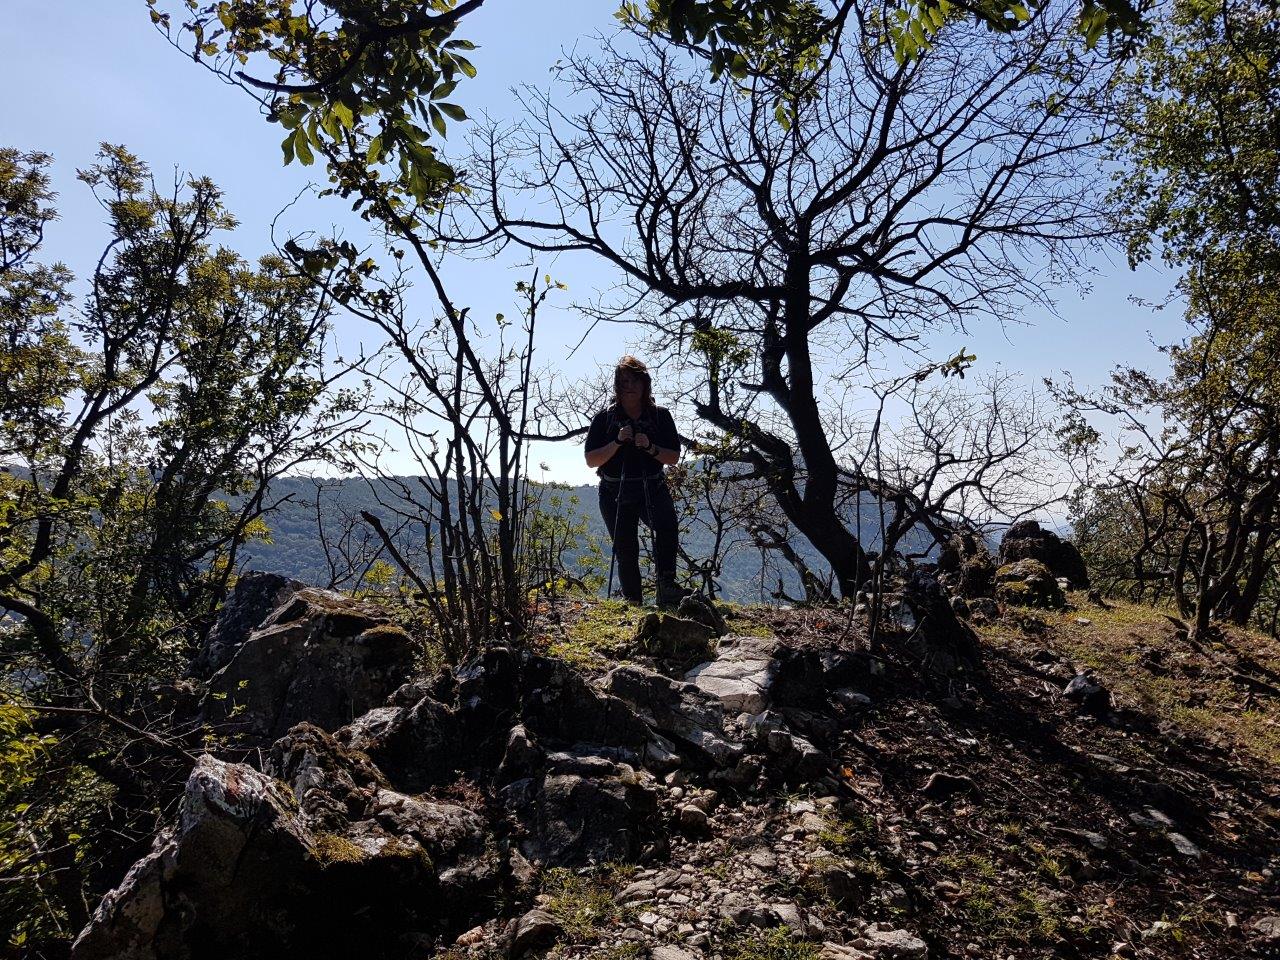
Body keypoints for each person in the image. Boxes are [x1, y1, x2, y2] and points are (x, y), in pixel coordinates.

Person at [584, 356, 688, 607]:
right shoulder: (604, 418)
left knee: (666, 530)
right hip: (614, 490)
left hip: (651, 486)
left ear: (644, 383)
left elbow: (673, 457)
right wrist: (617, 442)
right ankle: (633, 602)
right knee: (625, 549)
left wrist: (650, 447)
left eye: (633, 380)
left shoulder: (661, 416)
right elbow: (591, 460)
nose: (627, 385)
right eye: (622, 381)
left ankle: (666, 587)